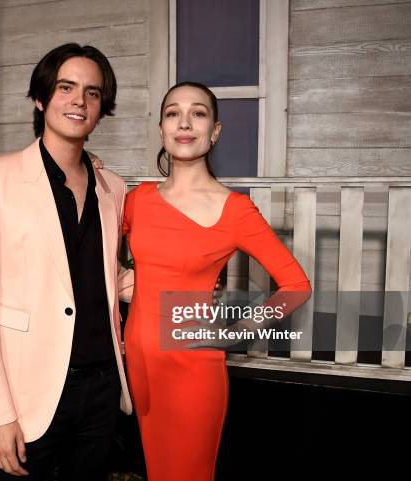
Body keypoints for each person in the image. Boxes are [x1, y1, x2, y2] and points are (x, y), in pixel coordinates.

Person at [0, 43, 133, 481]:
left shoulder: (113, 186)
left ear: (101, 108)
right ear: (41, 98)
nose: (79, 101)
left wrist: (185, 282)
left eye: (92, 93)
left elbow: (108, 276)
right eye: (66, 87)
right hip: (28, 392)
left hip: (103, 384)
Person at [119, 82, 312, 481]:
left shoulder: (235, 210)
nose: (184, 122)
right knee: (157, 470)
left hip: (193, 368)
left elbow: (296, 285)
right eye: (173, 113)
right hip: (138, 362)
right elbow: (94, 252)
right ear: (161, 129)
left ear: (215, 131)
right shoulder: (137, 200)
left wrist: (235, 331)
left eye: (198, 113)